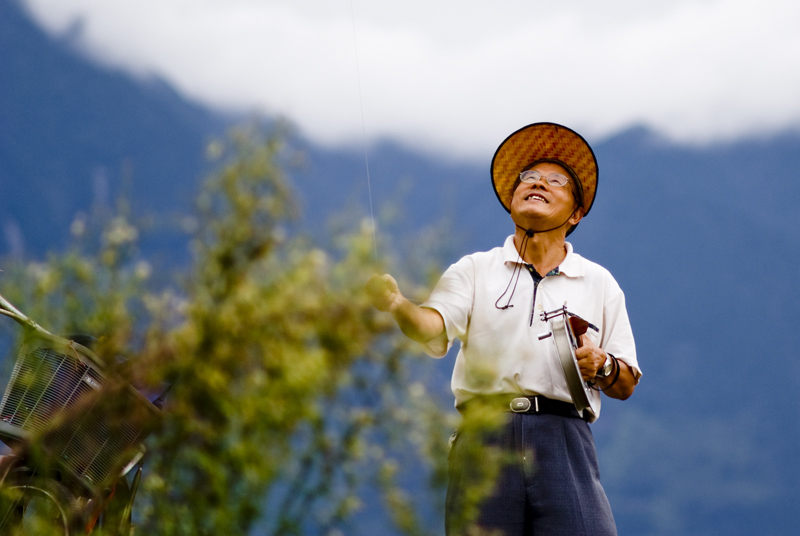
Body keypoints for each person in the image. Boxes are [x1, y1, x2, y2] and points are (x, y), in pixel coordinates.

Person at [366, 122, 642, 535]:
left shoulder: (598, 282)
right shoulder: (474, 269)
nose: (538, 184)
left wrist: (601, 365)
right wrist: (398, 304)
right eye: (528, 178)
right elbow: (430, 326)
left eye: (555, 181)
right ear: (512, 199)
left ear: (577, 213)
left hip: (564, 438)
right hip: (485, 437)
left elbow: (626, 382)